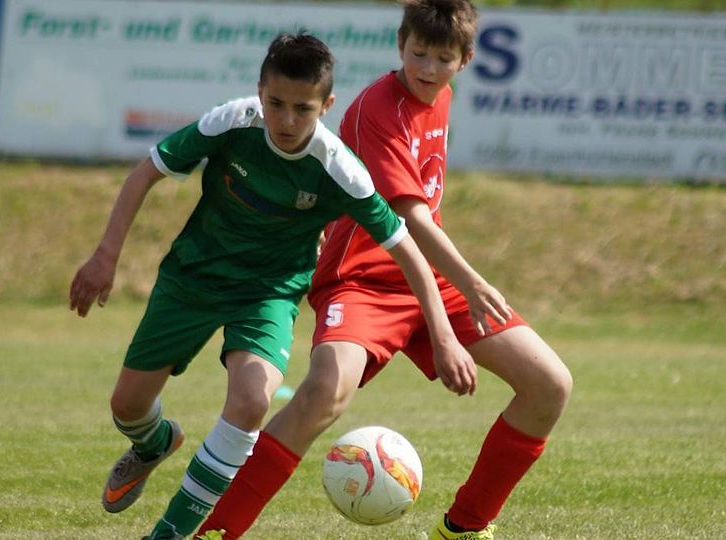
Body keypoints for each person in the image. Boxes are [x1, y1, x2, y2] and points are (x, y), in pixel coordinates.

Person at [68, 32, 474, 540]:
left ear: (326, 106)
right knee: (127, 407)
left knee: (251, 401)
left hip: (269, 294)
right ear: (260, 92)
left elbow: (407, 248)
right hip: (192, 277)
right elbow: (145, 173)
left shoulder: (339, 168)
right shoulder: (232, 122)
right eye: (276, 103)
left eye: (303, 109)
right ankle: (153, 444)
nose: (286, 120)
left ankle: (169, 533)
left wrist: (443, 336)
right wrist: (105, 255)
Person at [197, 2, 573, 539]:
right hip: (363, 279)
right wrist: (467, 290)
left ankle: (465, 528)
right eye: (418, 54)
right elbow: (411, 218)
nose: (428, 68)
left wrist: (452, 297)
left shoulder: (440, 97)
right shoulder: (379, 108)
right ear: (400, 45)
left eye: (442, 59)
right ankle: (219, 531)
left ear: (465, 60)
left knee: (549, 385)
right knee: (324, 392)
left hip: (427, 276)